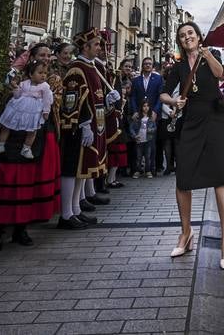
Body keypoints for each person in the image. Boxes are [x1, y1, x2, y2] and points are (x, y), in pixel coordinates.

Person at [160, 22, 224, 269]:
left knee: (221, 178)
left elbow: (220, 74)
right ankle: (186, 233)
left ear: (199, 36)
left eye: (190, 33)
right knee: (183, 179)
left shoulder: (210, 56)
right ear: (179, 41)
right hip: (190, 121)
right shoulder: (178, 67)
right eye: (182, 35)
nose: (187, 37)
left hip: (215, 120)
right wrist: (174, 100)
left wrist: (207, 54)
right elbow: (163, 93)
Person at [0, 42, 60, 255]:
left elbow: (49, 109)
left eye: (48, 55)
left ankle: (20, 229)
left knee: (25, 184)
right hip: (8, 138)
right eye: (41, 55)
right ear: (30, 58)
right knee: (3, 183)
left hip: (31, 139)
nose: (46, 58)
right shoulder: (14, 78)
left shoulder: (46, 83)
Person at [58, 28, 117, 230]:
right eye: (96, 44)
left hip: (95, 124)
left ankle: (75, 209)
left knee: (82, 170)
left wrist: (108, 101)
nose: (100, 48)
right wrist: (83, 124)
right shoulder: (77, 68)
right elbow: (73, 99)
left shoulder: (91, 66)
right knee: (72, 168)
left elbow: (95, 95)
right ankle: (66, 214)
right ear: (85, 46)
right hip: (80, 127)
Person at [0, 60, 53, 160]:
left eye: (45, 73)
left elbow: (47, 100)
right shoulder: (24, 83)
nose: (43, 76)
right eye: (40, 73)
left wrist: (46, 111)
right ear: (31, 74)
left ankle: (26, 148)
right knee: (6, 125)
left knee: (32, 130)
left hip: (33, 110)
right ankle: (0, 145)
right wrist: (15, 88)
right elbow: (17, 96)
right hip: (18, 108)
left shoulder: (45, 87)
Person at [130, 57, 163, 173]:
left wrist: (155, 111)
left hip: (152, 115)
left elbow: (160, 96)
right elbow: (133, 97)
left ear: (152, 66)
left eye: (150, 64)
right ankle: (137, 168)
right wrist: (134, 111)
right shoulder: (136, 80)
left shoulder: (158, 79)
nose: (147, 65)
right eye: (145, 64)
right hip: (139, 115)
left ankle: (151, 168)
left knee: (151, 142)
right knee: (138, 141)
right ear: (143, 66)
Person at [130, 99, 157, 178]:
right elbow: (131, 128)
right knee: (138, 157)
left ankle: (148, 171)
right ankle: (138, 171)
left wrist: (150, 130)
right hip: (139, 140)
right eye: (144, 106)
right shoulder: (137, 117)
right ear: (141, 107)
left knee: (148, 156)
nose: (146, 108)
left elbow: (155, 128)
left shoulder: (151, 117)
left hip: (148, 140)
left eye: (147, 106)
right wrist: (134, 136)